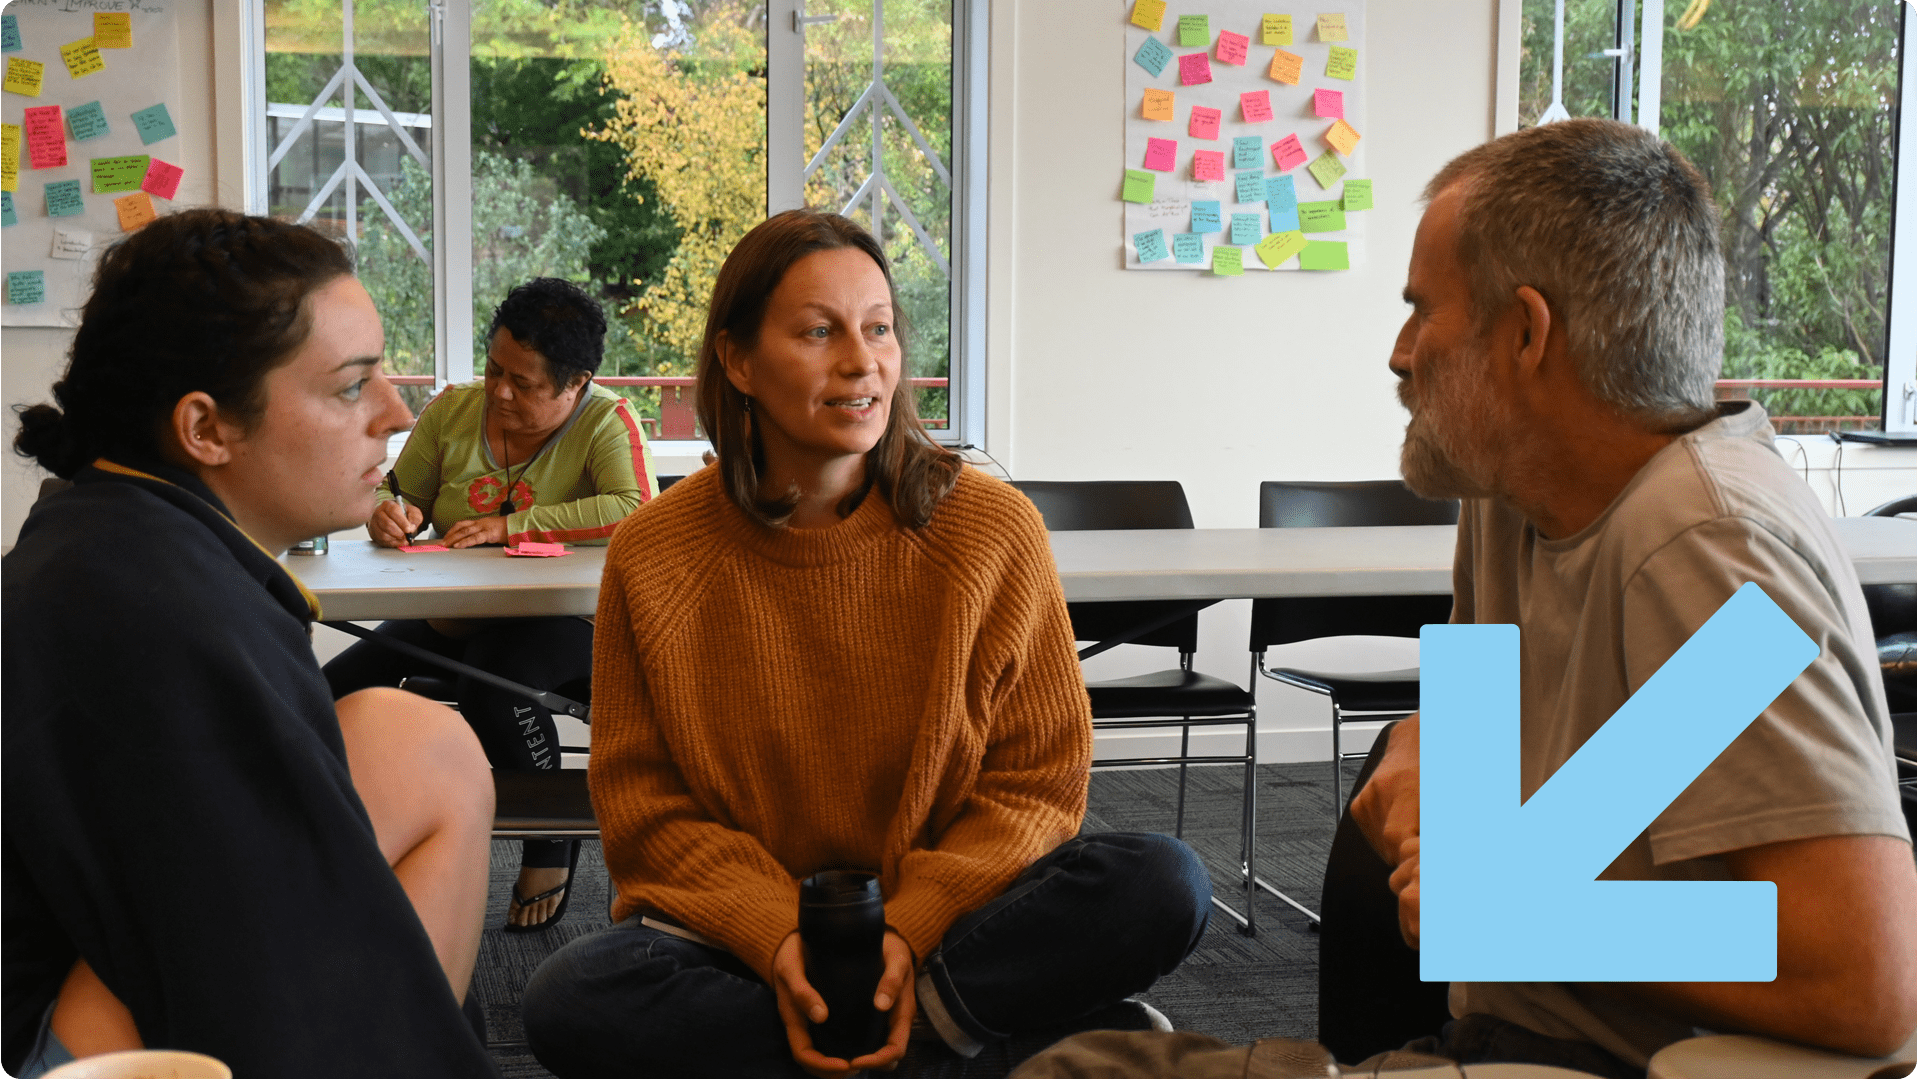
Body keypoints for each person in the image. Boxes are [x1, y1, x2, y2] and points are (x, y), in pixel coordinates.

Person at [518, 210, 1212, 1079]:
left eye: (879, 328)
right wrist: (777, 936)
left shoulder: (994, 528)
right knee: (571, 997)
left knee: (1162, 882)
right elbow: (646, 810)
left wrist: (913, 929)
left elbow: (1037, 779)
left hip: (953, 920)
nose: (863, 361)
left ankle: (877, 1038)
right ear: (736, 361)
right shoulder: (653, 554)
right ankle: (977, 1044)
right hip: (750, 939)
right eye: (819, 332)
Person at [1334, 117, 1915, 1075]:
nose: (1401, 355)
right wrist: (1419, 744)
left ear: (1526, 334)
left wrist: (1506, 905)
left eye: (1422, 311)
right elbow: (1488, 786)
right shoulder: (1512, 492)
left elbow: (1863, 980)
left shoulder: (1699, 542)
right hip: (1485, 1031)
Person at [3, 208, 497, 1077]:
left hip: (80, 983)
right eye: (351, 386)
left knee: (415, 737)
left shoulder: (113, 535)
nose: (396, 412)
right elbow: (243, 968)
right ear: (205, 429)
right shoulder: (162, 613)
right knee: (425, 751)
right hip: (53, 1054)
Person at [321, 277, 658, 932]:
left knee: (496, 686)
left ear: (576, 383)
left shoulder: (606, 420)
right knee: (323, 693)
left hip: (560, 622)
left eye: (524, 384)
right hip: (453, 613)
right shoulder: (453, 410)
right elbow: (392, 493)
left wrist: (515, 525)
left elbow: (634, 508)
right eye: (494, 368)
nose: (500, 392)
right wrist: (388, 517)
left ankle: (550, 842)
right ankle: (331, 848)